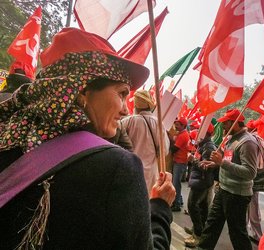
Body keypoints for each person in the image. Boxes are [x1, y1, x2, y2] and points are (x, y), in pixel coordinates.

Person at [0, 27, 176, 250]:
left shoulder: (10, 134)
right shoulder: (117, 168)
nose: (125, 109)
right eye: (122, 94)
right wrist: (160, 207)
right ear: (82, 91)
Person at [197, 109, 259, 250]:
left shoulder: (248, 142)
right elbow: (228, 160)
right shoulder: (231, 138)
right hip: (224, 189)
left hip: (237, 195)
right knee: (212, 224)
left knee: (237, 233)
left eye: (225, 123)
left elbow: (250, 172)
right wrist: (214, 164)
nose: (223, 127)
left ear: (234, 123)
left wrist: (222, 163)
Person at [122, 89, 170, 195]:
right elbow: (164, 151)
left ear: (135, 106)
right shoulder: (158, 123)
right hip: (151, 175)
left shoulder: (127, 122)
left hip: (130, 170)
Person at [184, 123, 217, 247]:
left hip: (202, 182)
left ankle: (197, 234)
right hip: (200, 180)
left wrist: (193, 160)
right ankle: (199, 230)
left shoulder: (209, 147)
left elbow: (206, 167)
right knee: (202, 208)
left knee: (192, 206)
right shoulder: (202, 145)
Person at [246, 120, 264, 244]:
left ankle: (256, 235)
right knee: (254, 206)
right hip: (258, 175)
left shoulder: (252, 139)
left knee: (250, 206)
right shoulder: (260, 140)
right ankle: (256, 233)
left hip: (252, 176)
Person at [169, 117, 190, 212]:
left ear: (183, 126)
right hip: (179, 161)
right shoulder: (181, 134)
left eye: (177, 124)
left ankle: (176, 204)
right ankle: (179, 200)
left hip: (180, 162)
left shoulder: (183, 135)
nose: (175, 126)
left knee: (176, 183)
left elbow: (174, 149)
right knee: (176, 183)